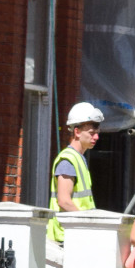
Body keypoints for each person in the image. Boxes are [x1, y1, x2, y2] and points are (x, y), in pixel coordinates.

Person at [47, 102, 103, 243]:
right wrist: (88, 224)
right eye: (91, 133)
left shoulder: (78, 159)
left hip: (75, 234)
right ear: (77, 132)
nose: (96, 137)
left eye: (97, 133)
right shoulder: (68, 161)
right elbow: (64, 201)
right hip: (67, 237)